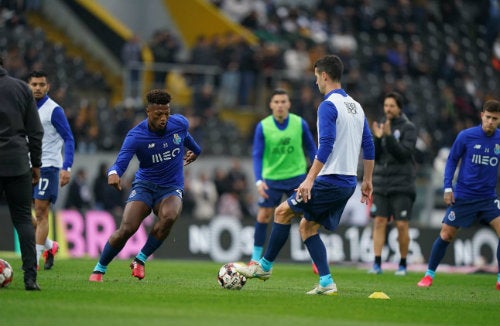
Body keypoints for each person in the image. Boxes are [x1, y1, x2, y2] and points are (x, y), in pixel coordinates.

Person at [235, 54, 375, 295]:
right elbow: (369, 144)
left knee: (281, 211)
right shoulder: (356, 106)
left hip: (331, 180)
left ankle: (264, 266)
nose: (315, 83)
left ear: (324, 76)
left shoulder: (328, 106)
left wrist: (310, 179)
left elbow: (326, 144)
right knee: (307, 227)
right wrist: (368, 180)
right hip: (348, 181)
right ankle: (326, 282)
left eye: (316, 78)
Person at [89, 89, 201, 282]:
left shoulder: (179, 123)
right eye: (158, 114)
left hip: (171, 187)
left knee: (170, 217)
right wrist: (114, 173)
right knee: (127, 229)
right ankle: (100, 268)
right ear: (148, 112)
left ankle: (140, 259)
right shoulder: (136, 135)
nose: (164, 118)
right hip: (145, 186)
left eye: (167, 113)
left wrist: (196, 151)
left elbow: (188, 140)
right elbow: (121, 161)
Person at [418, 99, 500, 290]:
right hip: (464, 196)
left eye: (494, 119)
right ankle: (429, 275)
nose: (490, 121)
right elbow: (452, 160)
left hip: (488, 198)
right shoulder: (466, 136)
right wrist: (448, 187)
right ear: (482, 116)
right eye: (488, 117)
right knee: (446, 235)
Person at [250, 88, 317, 273]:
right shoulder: (263, 126)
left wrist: (315, 174)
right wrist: (258, 181)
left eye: (283, 102)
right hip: (271, 179)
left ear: (289, 104)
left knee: (307, 218)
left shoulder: (299, 123)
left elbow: (312, 149)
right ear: (271, 105)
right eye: (276, 102)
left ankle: (316, 260)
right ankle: (255, 259)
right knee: (264, 215)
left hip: (297, 178)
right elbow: (257, 155)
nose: (280, 105)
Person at [0, 56, 44, 290]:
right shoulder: (20, 88)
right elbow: (35, 131)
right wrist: (35, 164)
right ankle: (30, 278)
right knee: (24, 220)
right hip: (17, 162)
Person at [28, 70, 75, 271]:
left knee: (41, 211)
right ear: (28, 86)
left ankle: (35, 260)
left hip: (48, 166)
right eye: (34, 84)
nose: (38, 88)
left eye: (41, 84)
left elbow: (69, 138)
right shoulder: (24, 107)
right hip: (26, 167)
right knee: (22, 214)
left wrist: (67, 167)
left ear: (48, 87)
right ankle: (50, 246)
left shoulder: (54, 110)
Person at [368, 91, 417, 276]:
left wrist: (388, 137)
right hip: (381, 182)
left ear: (399, 108)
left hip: (402, 184)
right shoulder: (381, 124)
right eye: (386, 105)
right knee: (379, 222)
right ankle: (377, 264)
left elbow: (404, 154)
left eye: (391, 106)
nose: (387, 109)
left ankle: (403, 264)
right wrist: (378, 138)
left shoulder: (409, 128)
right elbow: (376, 156)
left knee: (401, 225)